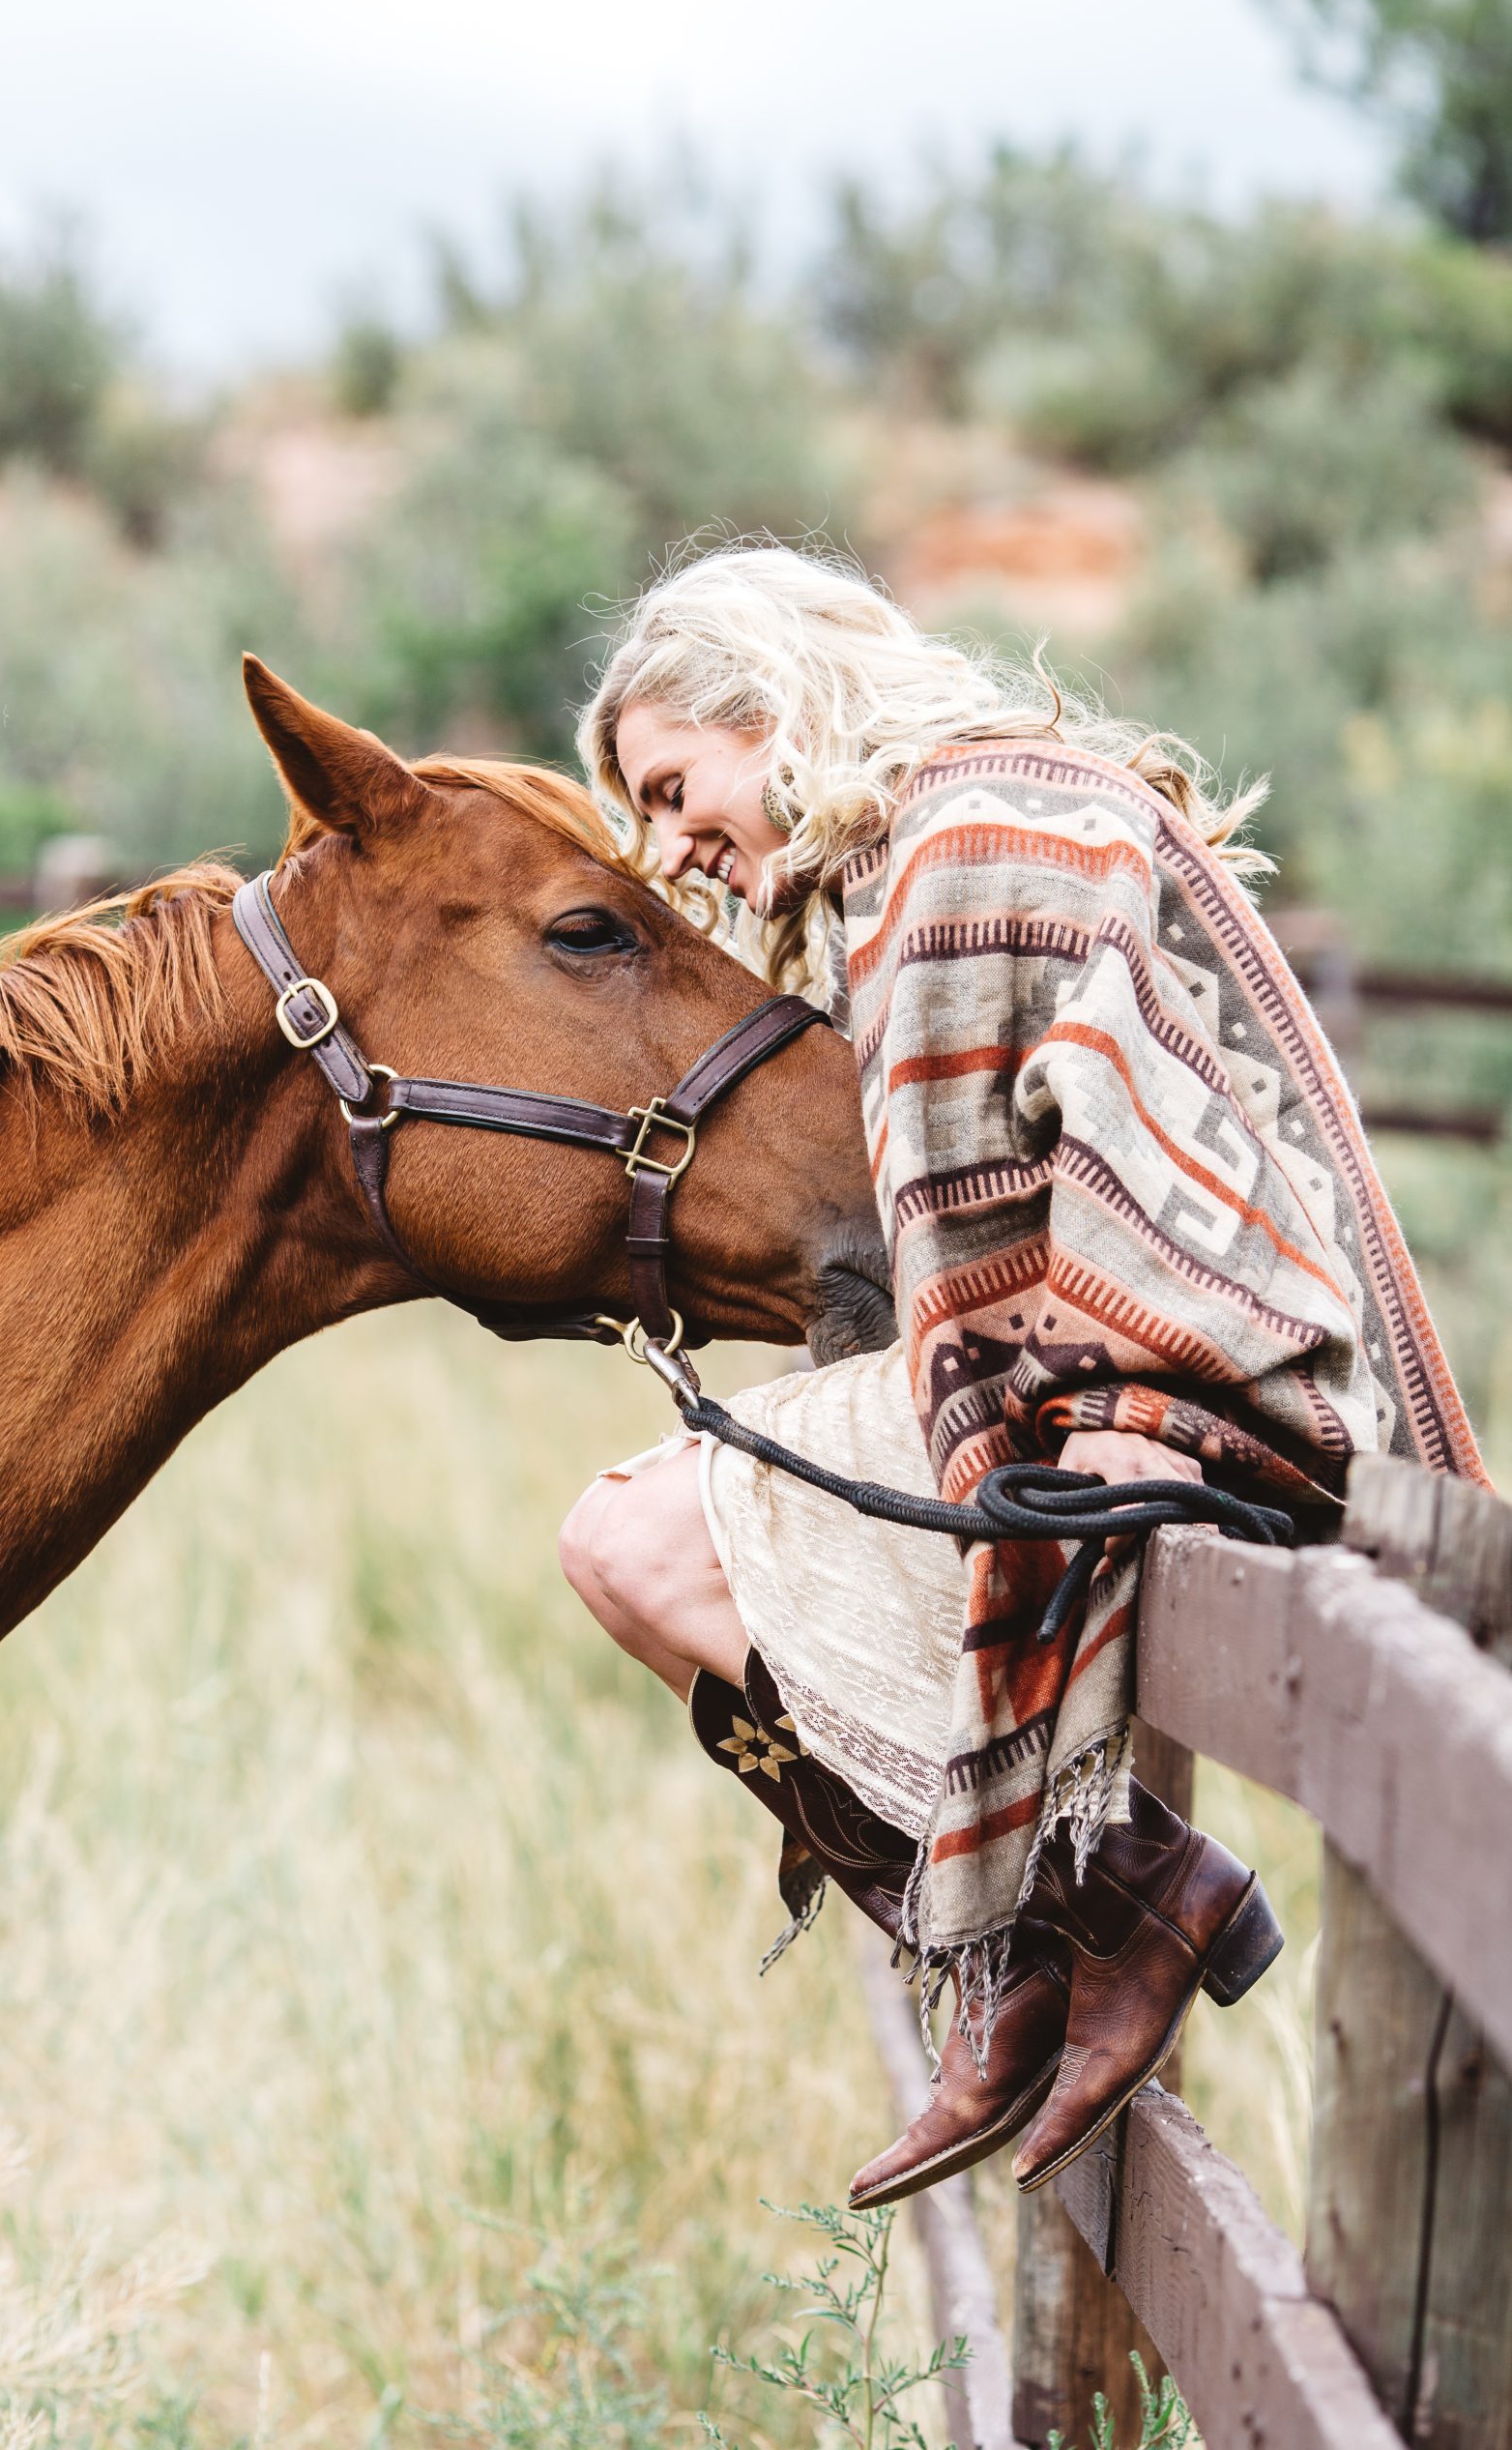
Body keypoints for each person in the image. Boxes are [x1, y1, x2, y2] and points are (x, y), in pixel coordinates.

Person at [557, 542, 1485, 2206]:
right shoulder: (977, 821)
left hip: (1194, 1394)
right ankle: (1070, 1913)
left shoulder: (956, 857)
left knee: (629, 1544)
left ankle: (1073, 1913)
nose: (671, 842)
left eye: (676, 786)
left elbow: (1019, 1258)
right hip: (1205, 1371)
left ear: (770, 706)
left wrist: (1054, 1468)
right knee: (653, 1522)